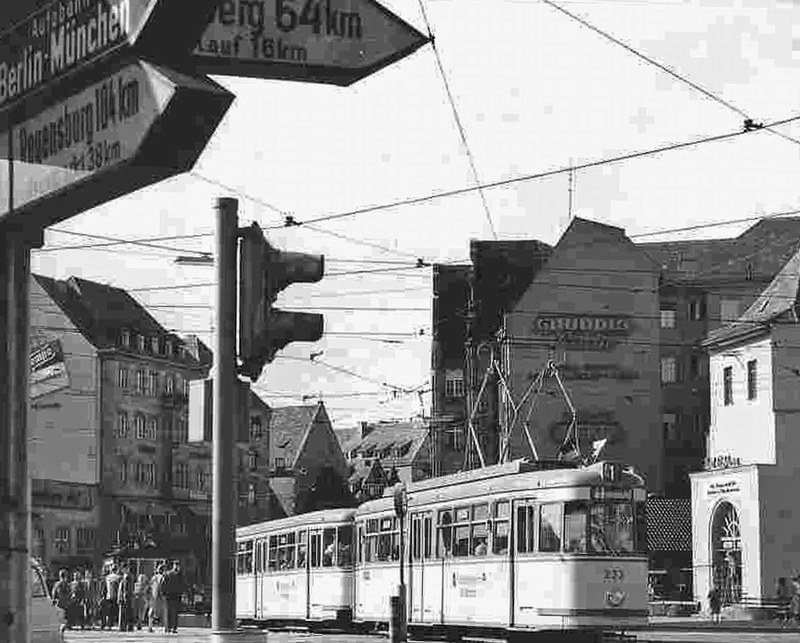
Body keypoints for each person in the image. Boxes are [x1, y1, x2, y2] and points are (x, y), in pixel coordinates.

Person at [163, 560, 185, 633]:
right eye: (176, 565)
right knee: (172, 612)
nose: (177, 566)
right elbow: (164, 584)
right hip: (172, 595)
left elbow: (164, 584)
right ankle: (170, 628)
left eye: (177, 565)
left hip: (173, 595)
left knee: (172, 612)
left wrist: (164, 593)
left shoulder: (177, 574)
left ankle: (170, 628)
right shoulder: (171, 574)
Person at [149, 563, 166, 633]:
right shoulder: (162, 577)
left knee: (152, 611)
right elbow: (162, 587)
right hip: (159, 597)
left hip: (153, 596)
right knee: (164, 611)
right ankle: (166, 628)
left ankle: (150, 626)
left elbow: (150, 586)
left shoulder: (153, 577)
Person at [117, 565, 135, 632]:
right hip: (127, 597)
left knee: (124, 613)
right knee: (128, 612)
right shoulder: (128, 576)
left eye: (123, 569)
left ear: (126, 569)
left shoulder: (127, 576)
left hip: (126, 597)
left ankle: (123, 627)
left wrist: (124, 597)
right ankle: (129, 627)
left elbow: (126, 588)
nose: (122, 570)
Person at [103, 565, 121, 629]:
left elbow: (105, 587)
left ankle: (109, 624)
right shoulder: (118, 577)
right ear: (116, 570)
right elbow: (119, 587)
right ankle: (113, 623)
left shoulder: (107, 577)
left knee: (109, 611)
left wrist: (104, 595)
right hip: (115, 596)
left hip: (109, 596)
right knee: (115, 611)